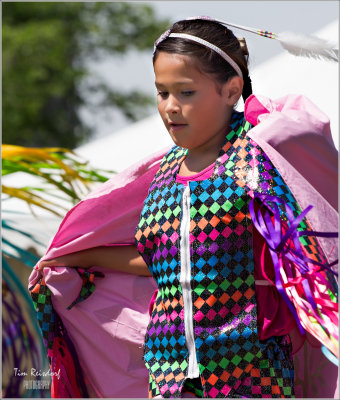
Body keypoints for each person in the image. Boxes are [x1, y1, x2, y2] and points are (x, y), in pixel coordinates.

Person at [34, 17, 338, 398]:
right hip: (170, 375)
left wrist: (262, 119)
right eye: (162, 93)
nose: (171, 107)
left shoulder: (256, 159)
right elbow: (166, 259)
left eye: (186, 93)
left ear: (231, 90)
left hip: (248, 373)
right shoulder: (159, 175)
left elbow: (305, 168)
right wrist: (82, 256)